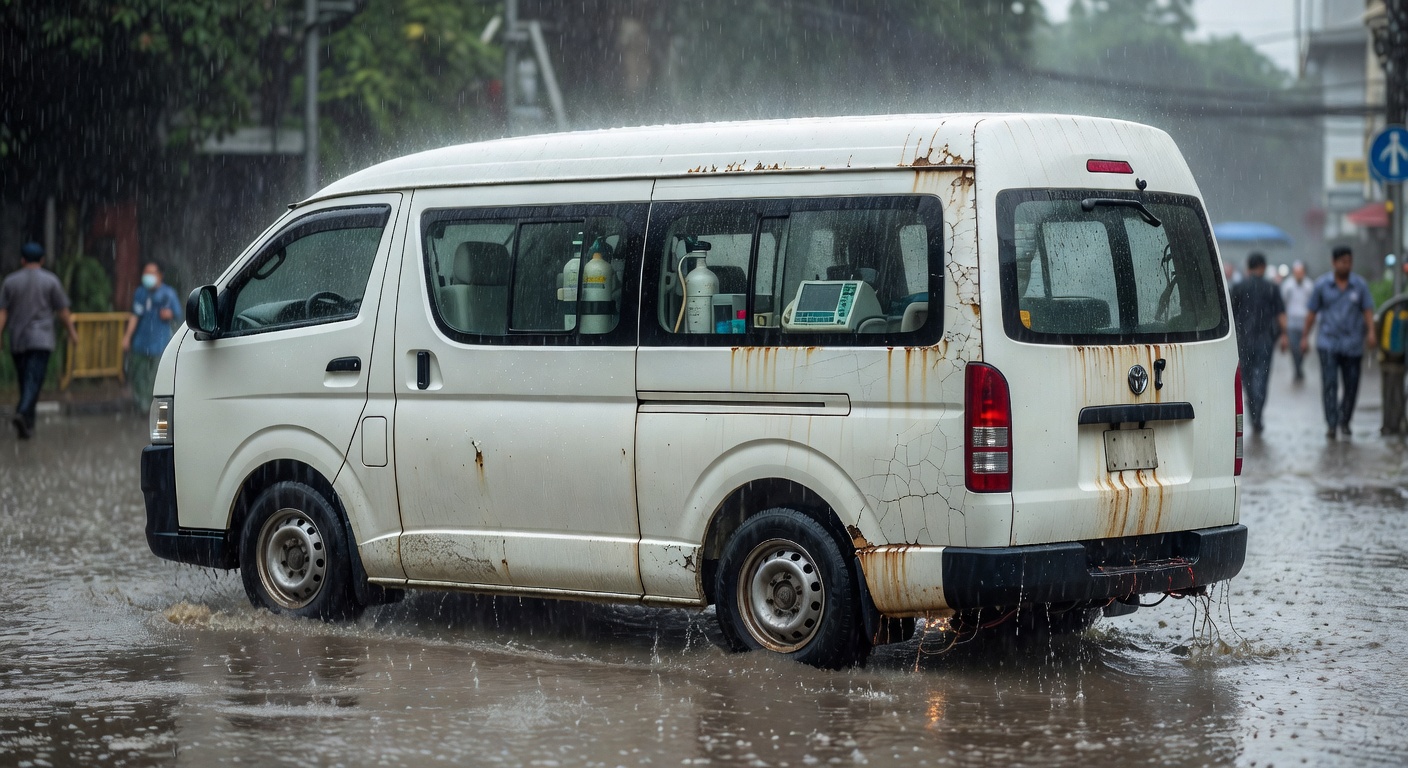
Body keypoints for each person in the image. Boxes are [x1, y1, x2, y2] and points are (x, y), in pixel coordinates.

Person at [0, 242, 79, 439]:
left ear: (22, 260)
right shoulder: (51, 281)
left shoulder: (10, 282)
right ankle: (23, 411)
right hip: (41, 339)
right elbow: (63, 311)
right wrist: (72, 332)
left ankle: (27, 425)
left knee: (25, 380)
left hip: (18, 340)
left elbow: (3, 313)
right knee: (33, 381)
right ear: (42, 260)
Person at [1301, 246, 1376, 439]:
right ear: (1334, 262)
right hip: (1328, 343)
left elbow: (1367, 310)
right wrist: (1304, 337)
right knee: (1329, 384)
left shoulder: (1359, 285)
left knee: (1352, 385)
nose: (1346, 265)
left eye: (1349, 261)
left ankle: (1345, 420)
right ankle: (1332, 424)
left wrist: (1371, 333)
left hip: (1352, 344)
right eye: (1343, 261)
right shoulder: (1322, 285)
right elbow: (1311, 313)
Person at [1229, 252, 1285, 434]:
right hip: (1265, 341)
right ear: (1263, 266)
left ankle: (1253, 413)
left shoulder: (1238, 287)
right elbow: (1281, 315)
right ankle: (1258, 415)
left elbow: (1230, 315)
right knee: (1262, 378)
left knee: (1248, 381)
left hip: (1243, 341)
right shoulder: (1272, 288)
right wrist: (1284, 335)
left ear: (1248, 266)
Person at [121, 261, 182, 412]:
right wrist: (127, 337)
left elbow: (178, 315)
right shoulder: (140, 293)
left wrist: (170, 314)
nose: (148, 276)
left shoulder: (168, 294)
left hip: (159, 345)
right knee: (138, 375)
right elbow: (135, 316)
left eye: (151, 273)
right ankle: (141, 405)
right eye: (145, 273)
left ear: (160, 275)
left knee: (155, 377)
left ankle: (152, 406)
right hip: (141, 343)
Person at [1280, 261, 1314, 382]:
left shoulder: (1309, 286)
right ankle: (1297, 369)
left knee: (1303, 346)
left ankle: (1299, 366)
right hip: (1292, 321)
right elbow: (1283, 303)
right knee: (1294, 347)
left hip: (1305, 321)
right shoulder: (1287, 286)